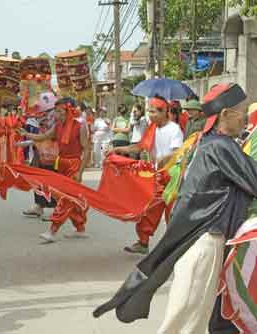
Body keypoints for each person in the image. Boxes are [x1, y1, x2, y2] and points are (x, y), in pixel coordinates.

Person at [94, 83, 252, 334]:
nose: (246, 117)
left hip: (199, 240)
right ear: (225, 114)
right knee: (184, 322)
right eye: (242, 111)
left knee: (193, 320)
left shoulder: (205, 141)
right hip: (204, 243)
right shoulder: (221, 147)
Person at [109, 96, 184, 254]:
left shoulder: (174, 129)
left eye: (153, 112)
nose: (150, 115)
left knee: (172, 212)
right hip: (158, 174)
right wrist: (119, 150)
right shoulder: (152, 129)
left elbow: (178, 152)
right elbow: (139, 147)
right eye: (149, 111)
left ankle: (175, 246)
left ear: (164, 112)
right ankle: (143, 242)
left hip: (173, 175)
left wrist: (165, 159)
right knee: (150, 209)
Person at [20, 97, 90, 242]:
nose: (56, 114)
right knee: (71, 199)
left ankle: (52, 230)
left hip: (73, 165)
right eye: (55, 111)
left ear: (68, 111)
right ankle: (80, 228)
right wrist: (25, 133)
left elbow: (87, 150)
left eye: (59, 111)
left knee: (65, 198)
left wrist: (80, 172)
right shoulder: (58, 126)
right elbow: (43, 137)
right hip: (61, 164)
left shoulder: (80, 126)